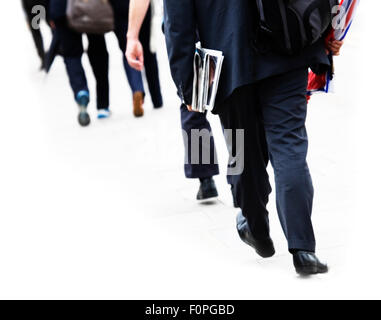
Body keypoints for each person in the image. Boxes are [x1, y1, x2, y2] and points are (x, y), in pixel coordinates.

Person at [164, 0, 341, 275]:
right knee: (289, 145)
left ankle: (254, 226)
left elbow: (177, 23)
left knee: (240, 151)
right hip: (287, 46)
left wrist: (188, 86)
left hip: (229, 61)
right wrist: (329, 30)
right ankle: (303, 248)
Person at [126, 0, 219, 201]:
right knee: (238, 111)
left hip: (186, 29)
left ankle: (206, 179)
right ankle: (241, 181)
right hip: (224, 24)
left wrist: (132, 35)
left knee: (193, 103)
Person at [49, 0, 110, 126]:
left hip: (61, 9)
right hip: (91, 6)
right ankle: (102, 105)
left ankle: (81, 91)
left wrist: (49, 13)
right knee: (98, 51)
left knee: (72, 56)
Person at [109, 0, 163, 117]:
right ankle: (157, 98)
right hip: (141, 6)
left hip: (119, 7)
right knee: (148, 53)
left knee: (128, 50)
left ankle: (137, 89)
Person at [21, 0, 49, 69]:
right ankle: (44, 57)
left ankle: (46, 56)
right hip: (35, 6)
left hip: (39, 5)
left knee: (54, 28)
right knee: (36, 32)